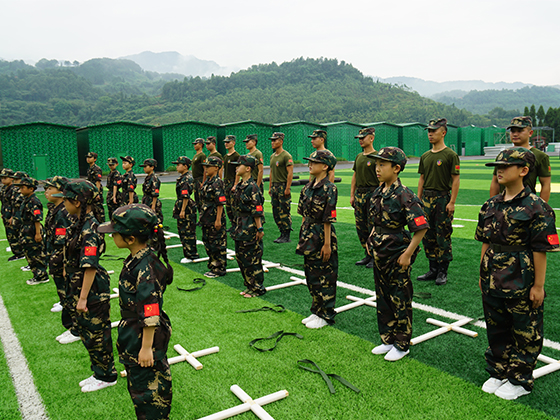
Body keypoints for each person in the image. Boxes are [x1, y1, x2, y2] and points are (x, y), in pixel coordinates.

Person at [476, 148, 558, 400]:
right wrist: (482, 273)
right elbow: (485, 242)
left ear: (523, 171)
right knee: (496, 326)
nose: (499, 170)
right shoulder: (491, 204)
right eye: (497, 166)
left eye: (506, 166)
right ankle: (499, 371)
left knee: (525, 329)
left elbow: (540, 249)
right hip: (493, 275)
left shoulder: (537, 207)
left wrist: (538, 286)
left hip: (521, 277)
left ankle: (520, 379)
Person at [98, 204, 173, 419]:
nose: (112, 235)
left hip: (144, 336)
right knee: (139, 383)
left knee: (149, 391)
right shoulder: (138, 259)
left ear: (130, 238)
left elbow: (150, 310)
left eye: (115, 232)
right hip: (135, 331)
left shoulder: (145, 267)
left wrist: (146, 347)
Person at [53, 179, 117, 392]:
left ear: (78, 202)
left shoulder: (90, 228)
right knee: (87, 333)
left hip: (91, 291)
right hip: (79, 286)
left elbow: (90, 267)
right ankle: (99, 371)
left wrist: (82, 299)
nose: (64, 205)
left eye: (67, 200)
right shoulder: (76, 222)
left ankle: (107, 376)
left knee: (97, 335)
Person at [368, 148, 429, 362]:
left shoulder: (405, 195)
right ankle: (388, 338)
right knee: (383, 297)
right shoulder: (378, 193)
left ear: (396, 168)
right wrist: (371, 238)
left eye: (382, 165)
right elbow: (376, 222)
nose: (377, 168)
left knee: (400, 298)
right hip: (380, 252)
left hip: (397, 253)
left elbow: (421, 228)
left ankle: (402, 344)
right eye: (377, 164)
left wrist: (407, 254)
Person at [297, 150, 338, 329]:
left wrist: (327, 244)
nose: (310, 164)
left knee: (325, 275)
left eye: (314, 162)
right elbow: (303, 214)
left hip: (322, 234)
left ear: (325, 166)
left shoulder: (330, 188)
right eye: (310, 161)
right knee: (311, 274)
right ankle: (316, 309)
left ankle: (326, 314)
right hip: (309, 234)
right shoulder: (307, 187)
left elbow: (328, 218)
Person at [416, 118, 460, 286]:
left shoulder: (450, 155)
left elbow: (455, 180)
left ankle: (443, 271)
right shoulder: (425, 156)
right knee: (427, 235)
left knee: (443, 235)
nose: (430, 134)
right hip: (426, 199)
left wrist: (452, 202)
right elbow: (422, 179)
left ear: (443, 132)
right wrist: (418, 200)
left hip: (442, 199)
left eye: (434, 131)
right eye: (429, 131)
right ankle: (432, 268)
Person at [489, 116, 551, 202]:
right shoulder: (503, 155)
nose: (515, 134)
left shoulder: (540, 156)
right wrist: (493, 206)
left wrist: (541, 209)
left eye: (520, 131)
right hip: (504, 203)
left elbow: (545, 184)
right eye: (512, 131)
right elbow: (495, 182)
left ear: (530, 133)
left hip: (527, 205)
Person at [230, 155, 266, 297]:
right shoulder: (239, 186)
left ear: (248, 168)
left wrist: (259, 228)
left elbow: (257, 209)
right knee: (241, 257)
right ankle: (249, 285)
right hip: (240, 226)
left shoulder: (252, 187)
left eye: (239, 165)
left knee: (253, 258)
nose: (236, 168)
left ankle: (257, 287)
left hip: (250, 226)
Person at [350, 127, 379, 269]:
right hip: (359, 195)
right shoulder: (359, 157)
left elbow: (381, 179)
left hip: (372, 193)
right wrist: (352, 195)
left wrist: (380, 197)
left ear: (371, 138)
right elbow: (354, 176)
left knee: (373, 226)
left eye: (363, 137)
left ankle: (375, 255)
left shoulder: (377, 156)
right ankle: (367, 253)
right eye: (359, 138)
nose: (360, 140)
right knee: (361, 227)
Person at [43, 176, 73, 314]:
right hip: (53, 250)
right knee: (57, 277)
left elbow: (64, 240)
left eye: (50, 188)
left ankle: (66, 302)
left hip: (60, 253)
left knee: (63, 278)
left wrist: (65, 262)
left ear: (61, 191)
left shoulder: (63, 212)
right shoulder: (55, 208)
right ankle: (63, 300)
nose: (46, 192)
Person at [14, 176, 50, 285]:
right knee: (29, 253)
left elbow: (37, 218)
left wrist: (38, 233)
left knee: (36, 253)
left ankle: (41, 275)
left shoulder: (34, 201)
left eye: (23, 187)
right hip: (26, 229)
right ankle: (36, 274)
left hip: (32, 230)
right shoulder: (27, 199)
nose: (21, 190)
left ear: (31, 189)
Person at [199, 156, 227, 278]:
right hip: (206, 217)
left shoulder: (217, 182)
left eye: (208, 166)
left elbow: (220, 202)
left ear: (216, 168)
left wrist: (218, 219)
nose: (206, 168)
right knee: (208, 241)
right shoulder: (208, 181)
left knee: (217, 243)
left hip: (214, 216)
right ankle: (213, 265)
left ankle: (219, 268)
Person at [172, 156, 199, 264]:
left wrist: (182, 210)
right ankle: (188, 253)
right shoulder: (183, 177)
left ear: (185, 166)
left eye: (179, 164)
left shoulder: (186, 178)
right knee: (183, 231)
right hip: (183, 205)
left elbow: (185, 196)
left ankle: (192, 254)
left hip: (186, 207)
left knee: (188, 232)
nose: (177, 166)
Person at [269, 132, 294, 243]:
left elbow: (290, 173)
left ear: (281, 141)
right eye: (272, 140)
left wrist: (287, 188)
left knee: (284, 211)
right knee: (275, 211)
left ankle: (286, 235)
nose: (272, 142)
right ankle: (281, 232)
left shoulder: (286, 156)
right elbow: (271, 172)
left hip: (282, 186)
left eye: (275, 140)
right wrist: (270, 187)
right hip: (274, 186)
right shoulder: (272, 156)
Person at [1, 168, 25, 261]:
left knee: (15, 233)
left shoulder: (14, 189)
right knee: (9, 234)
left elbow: (15, 204)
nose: (3, 180)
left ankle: (19, 252)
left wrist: (13, 216)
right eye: (2, 178)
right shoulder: (4, 189)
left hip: (13, 215)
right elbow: (4, 202)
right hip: (6, 214)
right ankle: (16, 251)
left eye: (5, 177)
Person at [222, 135, 240, 229]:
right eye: (225, 142)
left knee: (234, 205)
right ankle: (232, 223)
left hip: (232, 181)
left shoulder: (236, 156)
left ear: (233, 143)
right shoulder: (225, 157)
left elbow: (238, 171)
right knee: (228, 205)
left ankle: (237, 224)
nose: (226, 144)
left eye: (228, 142)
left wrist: (235, 184)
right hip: (226, 181)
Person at [140, 158, 163, 223]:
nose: (144, 168)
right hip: (146, 201)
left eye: (145, 166)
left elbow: (155, 194)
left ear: (152, 167)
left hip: (152, 202)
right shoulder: (148, 178)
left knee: (155, 221)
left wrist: (153, 206)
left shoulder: (154, 178)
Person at [86, 152, 105, 223]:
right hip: (91, 192)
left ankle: (101, 226)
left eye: (90, 157)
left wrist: (97, 193)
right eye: (87, 157)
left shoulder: (97, 169)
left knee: (98, 210)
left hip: (96, 192)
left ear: (95, 159)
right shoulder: (90, 169)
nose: (88, 159)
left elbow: (98, 182)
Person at [191, 138, 207, 212]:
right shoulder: (195, 155)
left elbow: (205, 169)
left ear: (201, 145)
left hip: (200, 179)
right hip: (195, 180)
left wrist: (203, 182)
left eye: (196, 144)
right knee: (197, 200)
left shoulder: (202, 155)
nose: (194, 145)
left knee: (201, 200)